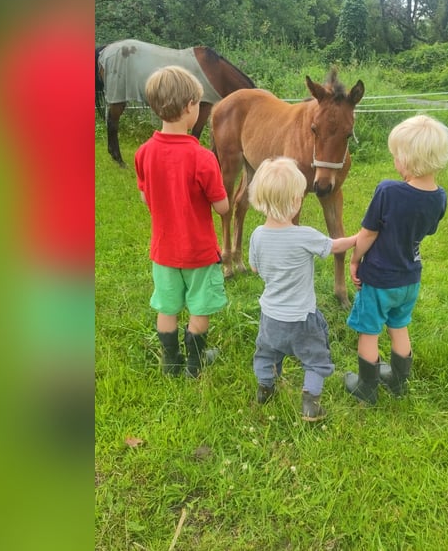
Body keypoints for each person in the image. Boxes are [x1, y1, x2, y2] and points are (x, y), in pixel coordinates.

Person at [344, 115, 448, 405]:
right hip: (410, 279)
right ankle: (397, 382)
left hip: (380, 279)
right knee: (399, 325)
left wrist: (355, 259)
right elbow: (427, 230)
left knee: (369, 331)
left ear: (406, 159)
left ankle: (366, 388)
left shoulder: (388, 191)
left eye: (395, 156)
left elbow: (368, 233)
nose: (394, 161)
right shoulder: (439, 197)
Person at [134, 65, 229, 378]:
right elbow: (222, 207)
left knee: (167, 307)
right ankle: (194, 365)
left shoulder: (143, 153)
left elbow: (147, 199)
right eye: (198, 106)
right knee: (199, 308)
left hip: (163, 252)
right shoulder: (203, 157)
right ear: (190, 107)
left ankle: (170, 362)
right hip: (199, 253)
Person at [248, 157, 358, 421]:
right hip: (302, 318)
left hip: (271, 316)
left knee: (267, 353)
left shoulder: (257, 236)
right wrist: (359, 238)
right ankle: (310, 402)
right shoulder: (304, 235)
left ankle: (265, 387)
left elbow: (254, 268)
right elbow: (335, 246)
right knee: (315, 359)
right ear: (297, 200)